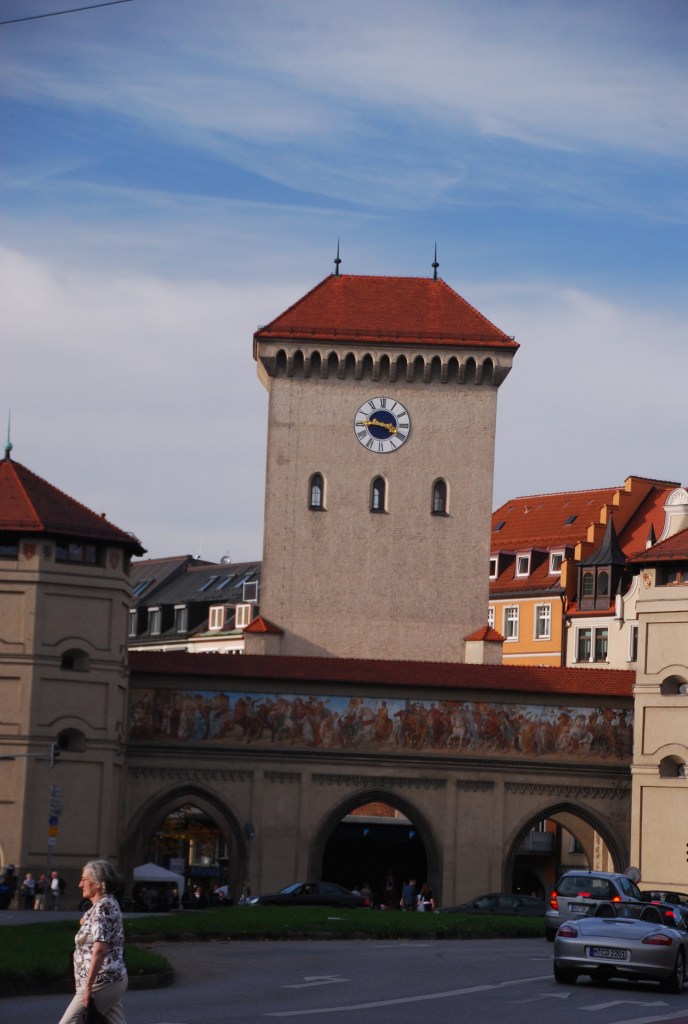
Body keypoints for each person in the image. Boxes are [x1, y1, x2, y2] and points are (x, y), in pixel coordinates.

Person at [58, 860, 127, 1024]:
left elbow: (100, 949)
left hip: (101, 981)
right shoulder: (105, 904)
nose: (80, 884)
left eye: (84, 879)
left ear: (98, 883)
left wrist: (88, 987)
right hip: (111, 979)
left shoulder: (103, 907)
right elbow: (92, 924)